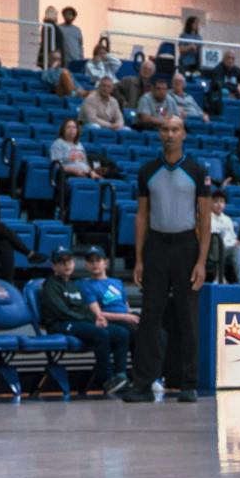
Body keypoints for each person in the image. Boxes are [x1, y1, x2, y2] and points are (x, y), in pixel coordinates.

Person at [123, 118, 209, 404]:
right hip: (156, 246)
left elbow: (205, 219)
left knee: (188, 316)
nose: (170, 134)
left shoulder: (196, 171)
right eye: (165, 130)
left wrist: (201, 262)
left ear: (183, 134)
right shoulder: (147, 170)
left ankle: (188, 383)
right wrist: (139, 259)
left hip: (186, 246)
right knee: (150, 316)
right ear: (159, 134)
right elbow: (141, 216)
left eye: (175, 130)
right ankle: (143, 384)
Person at [38, 248, 131, 393]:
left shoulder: (73, 285)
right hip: (60, 324)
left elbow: (84, 308)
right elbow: (62, 311)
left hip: (77, 322)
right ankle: (106, 379)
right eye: (61, 262)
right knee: (100, 334)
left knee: (121, 333)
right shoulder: (50, 285)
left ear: (74, 263)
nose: (66, 265)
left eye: (69, 261)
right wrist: (90, 321)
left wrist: (97, 318)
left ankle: (121, 376)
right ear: (54, 266)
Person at [76, 246, 136, 393]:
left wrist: (131, 315)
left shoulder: (117, 282)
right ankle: (125, 377)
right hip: (111, 319)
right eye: (91, 261)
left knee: (156, 332)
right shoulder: (86, 285)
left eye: (98, 260)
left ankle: (152, 376)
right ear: (86, 265)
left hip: (125, 316)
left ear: (106, 263)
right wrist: (127, 317)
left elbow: (126, 306)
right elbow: (97, 313)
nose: (95, 264)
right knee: (134, 332)